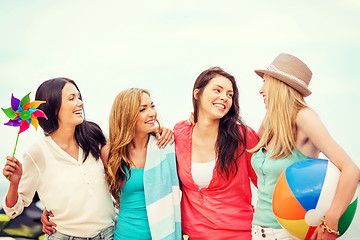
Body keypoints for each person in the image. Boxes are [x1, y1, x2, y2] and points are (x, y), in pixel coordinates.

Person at [249, 53, 360, 240]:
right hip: (257, 231)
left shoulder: (305, 118)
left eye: (265, 82)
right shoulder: (270, 120)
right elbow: (247, 142)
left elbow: (351, 169)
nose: (261, 90)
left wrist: (331, 222)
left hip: (288, 234)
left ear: (279, 84)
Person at [2, 78, 116, 239]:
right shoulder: (37, 152)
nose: (80, 103)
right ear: (53, 107)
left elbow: (125, 158)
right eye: (71, 98)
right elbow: (14, 210)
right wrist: (14, 182)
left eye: (79, 97)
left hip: (108, 234)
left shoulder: (95, 136)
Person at [173, 67, 259, 239]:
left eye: (229, 94)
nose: (224, 98)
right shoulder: (179, 133)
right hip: (193, 235)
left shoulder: (243, 136)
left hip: (240, 234)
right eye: (217, 90)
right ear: (197, 94)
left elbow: (265, 181)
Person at [104, 88, 182, 240]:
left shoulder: (166, 146)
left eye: (152, 106)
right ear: (126, 115)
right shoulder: (109, 153)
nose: (152, 113)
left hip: (164, 235)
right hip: (125, 235)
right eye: (143, 109)